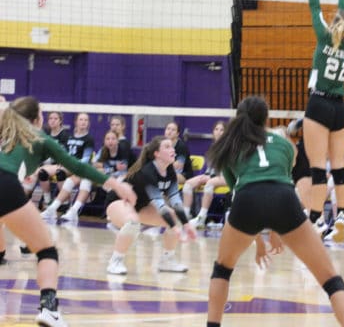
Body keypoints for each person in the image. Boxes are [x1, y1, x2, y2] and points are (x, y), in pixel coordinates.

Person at [205, 95, 344, 327]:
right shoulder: (285, 145)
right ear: (266, 118)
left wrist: (259, 241)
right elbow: (277, 188)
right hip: (284, 200)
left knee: (222, 269)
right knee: (330, 278)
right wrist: (276, 231)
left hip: (247, 202)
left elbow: (244, 194)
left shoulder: (230, 146)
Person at [0, 96, 135, 327]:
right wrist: (115, 183)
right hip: (5, 185)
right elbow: (78, 166)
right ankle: (49, 309)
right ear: (37, 119)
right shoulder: (38, 135)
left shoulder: (5, 133)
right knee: (46, 251)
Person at [303, 0, 344, 243]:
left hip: (319, 104)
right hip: (339, 108)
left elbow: (315, 8)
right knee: (338, 167)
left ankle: (314, 220)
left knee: (317, 168)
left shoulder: (325, 37)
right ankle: (340, 216)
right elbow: (343, 15)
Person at [105, 135, 197, 275]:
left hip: (141, 206)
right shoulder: (147, 172)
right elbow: (158, 203)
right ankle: (115, 262)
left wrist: (186, 224)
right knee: (132, 222)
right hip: (118, 201)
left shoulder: (170, 171)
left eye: (172, 146)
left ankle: (167, 260)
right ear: (157, 154)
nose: (172, 149)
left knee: (175, 218)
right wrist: (175, 228)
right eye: (167, 147)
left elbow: (176, 201)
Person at [40, 112, 96, 222]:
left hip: (82, 168)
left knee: (81, 181)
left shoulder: (89, 139)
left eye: (86, 120)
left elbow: (86, 159)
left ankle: (72, 210)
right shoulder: (70, 136)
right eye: (81, 120)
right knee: (57, 174)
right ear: (76, 122)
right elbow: (64, 153)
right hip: (71, 167)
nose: (83, 122)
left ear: (89, 123)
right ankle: (51, 208)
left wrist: (69, 163)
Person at [182, 120, 228, 228]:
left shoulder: (228, 147)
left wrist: (209, 177)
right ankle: (185, 215)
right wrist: (205, 176)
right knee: (188, 184)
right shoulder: (213, 147)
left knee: (209, 183)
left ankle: (201, 218)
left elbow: (226, 169)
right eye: (216, 129)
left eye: (222, 130)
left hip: (226, 176)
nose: (218, 132)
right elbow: (210, 168)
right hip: (212, 176)